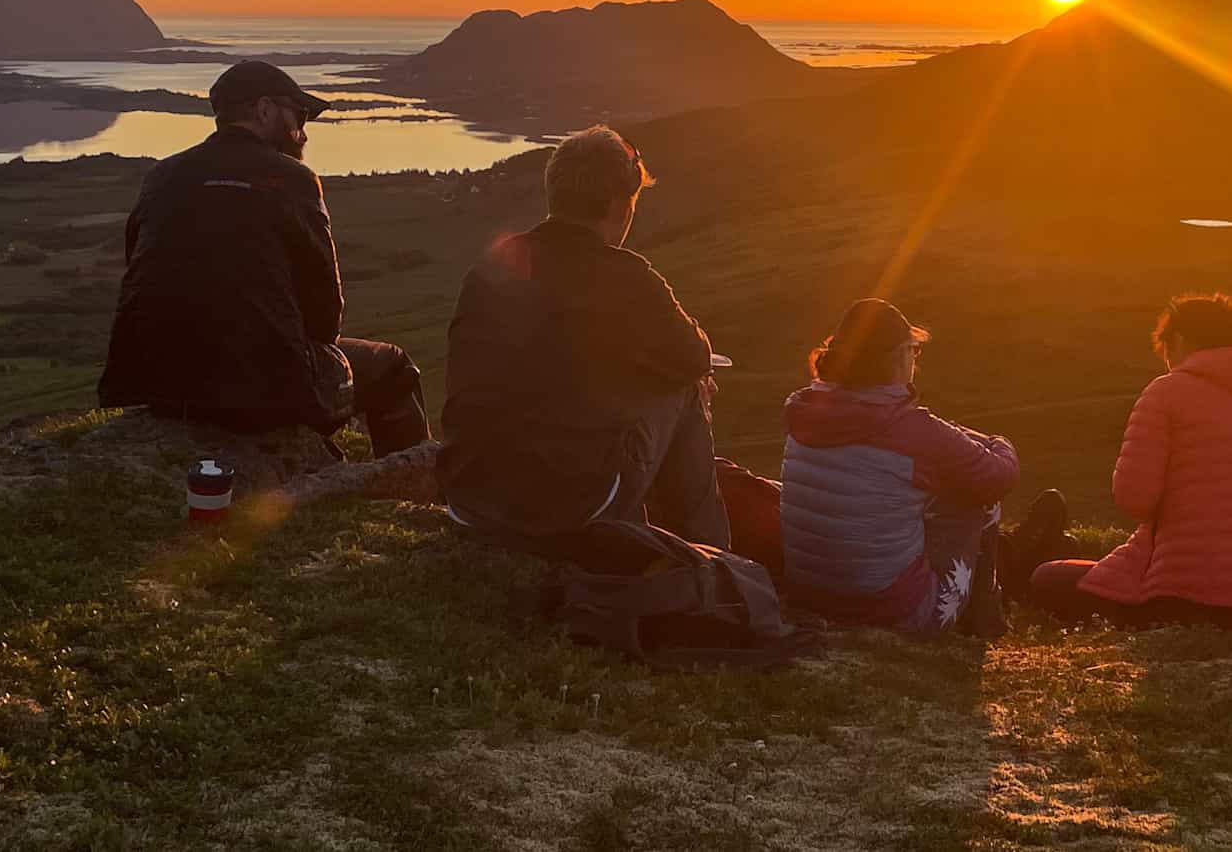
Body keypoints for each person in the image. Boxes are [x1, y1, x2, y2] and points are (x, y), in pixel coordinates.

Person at [99, 60, 430, 454]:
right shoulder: (292, 178)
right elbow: (324, 315)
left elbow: (140, 272)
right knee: (393, 366)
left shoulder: (161, 175)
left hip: (147, 384)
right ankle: (406, 495)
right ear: (265, 109)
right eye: (299, 114)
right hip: (260, 393)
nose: (303, 130)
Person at [440, 126, 731, 554]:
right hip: (561, 512)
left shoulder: (491, 267)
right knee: (687, 385)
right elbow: (696, 355)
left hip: (469, 500)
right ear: (618, 203)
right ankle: (710, 564)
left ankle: (668, 549)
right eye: (632, 202)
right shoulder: (626, 276)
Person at [1030, 293, 1232, 626]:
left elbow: (1135, 499)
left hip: (1193, 593)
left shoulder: (1166, 392)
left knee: (1048, 578)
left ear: (1180, 340)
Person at [779, 298, 1020, 635]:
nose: (915, 361)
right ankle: (984, 613)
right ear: (899, 356)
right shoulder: (913, 430)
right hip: (895, 611)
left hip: (811, 595)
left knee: (908, 489)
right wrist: (997, 441)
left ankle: (1016, 558)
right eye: (913, 351)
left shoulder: (804, 409)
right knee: (979, 494)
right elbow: (1001, 474)